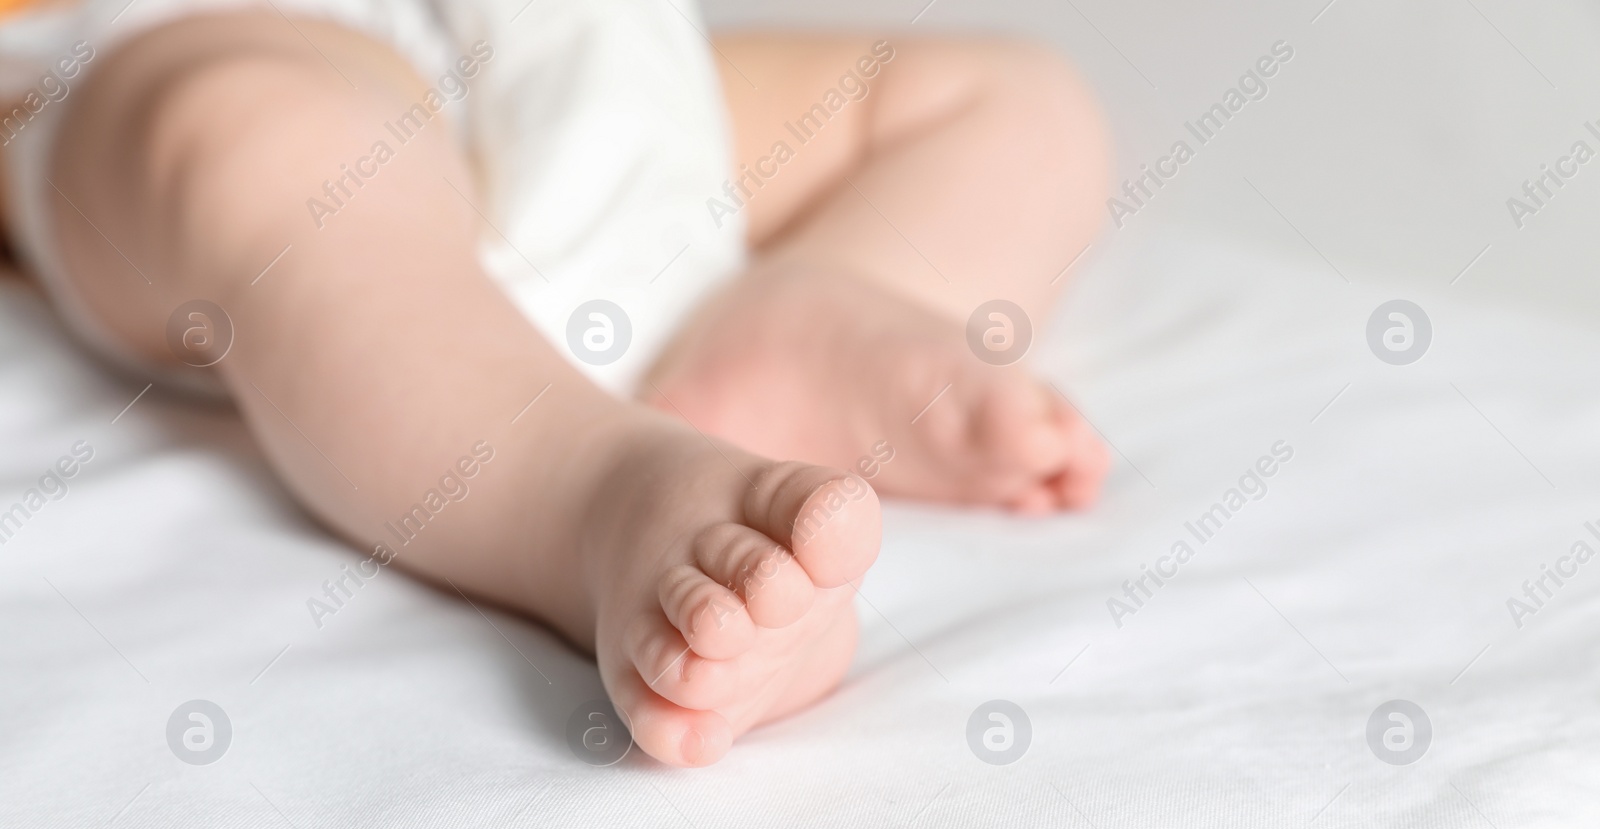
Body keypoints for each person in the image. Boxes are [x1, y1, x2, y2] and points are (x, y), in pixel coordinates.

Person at [0, 0, 1109, 765]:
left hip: (538, 54)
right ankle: (590, 488)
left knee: (1007, 99)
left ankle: (778, 322)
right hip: (141, 47)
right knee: (255, 138)